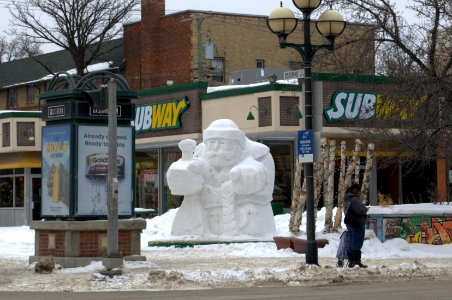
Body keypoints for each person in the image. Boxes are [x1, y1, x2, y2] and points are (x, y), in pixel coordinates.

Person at [166, 119, 276, 239]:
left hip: (246, 219)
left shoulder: (259, 155)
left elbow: (265, 184)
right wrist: (187, 170)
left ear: (236, 144)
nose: (216, 149)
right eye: (212, 143)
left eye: (222, 143)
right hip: (204, 220)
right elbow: (182, 179)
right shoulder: (200, 157)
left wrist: (247, 176)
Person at [343, 182, 369, 268]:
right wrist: (365, 209)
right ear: (355, 190)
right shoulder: (354, 199)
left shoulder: (347, 199)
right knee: (357, 241)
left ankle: (351, 261)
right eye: (359, 191)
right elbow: (359, 210)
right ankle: (356, 261)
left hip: (349, 223)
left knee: (351, 241)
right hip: (357, 223)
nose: (359, 193)